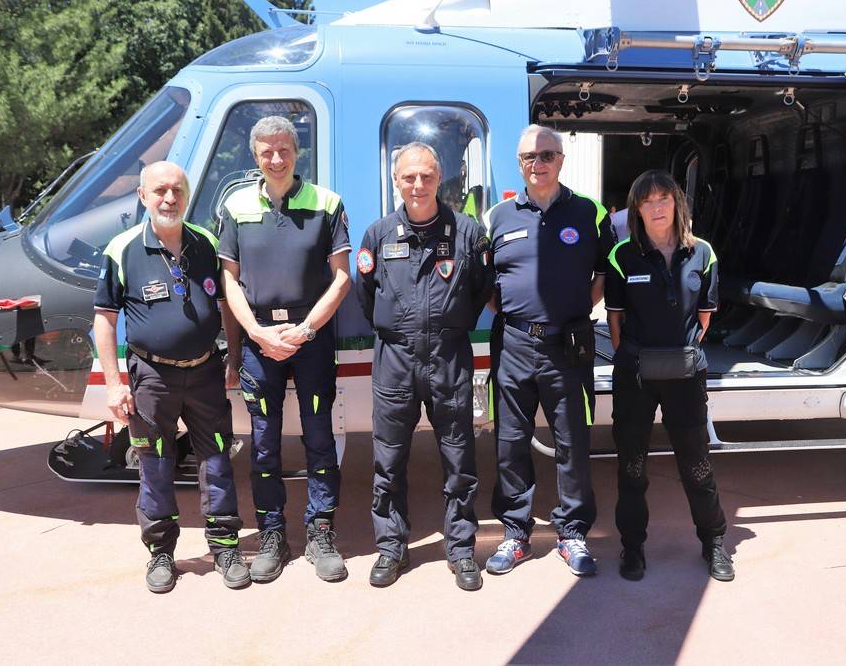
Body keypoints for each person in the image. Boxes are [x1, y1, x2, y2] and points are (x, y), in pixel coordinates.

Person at [93, 160, 248, 593]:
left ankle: (225, 547)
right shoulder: (121, 250)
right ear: (143, 196)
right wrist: (112, 383)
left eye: (177, 190)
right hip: (151, 378)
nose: (169, 198)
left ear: (186, 195)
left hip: (205, 372)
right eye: (159, 190)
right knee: (155, 462)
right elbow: (104, 320)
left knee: (217, 458)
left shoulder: (206, 244)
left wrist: (232, 357)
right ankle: (161, 553)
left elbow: (225, 308)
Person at [357, 142, 494, 590]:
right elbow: (365, 297)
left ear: (440, 180)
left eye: (427, 176)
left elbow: (479, 292)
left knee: (460, 459)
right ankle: (391, 548)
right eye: (409, 176)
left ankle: (460, 549)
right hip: (394, 360)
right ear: (396, 180)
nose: (418, 184)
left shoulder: (467, 233)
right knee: (388, 461)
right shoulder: (378, 236)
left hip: (449, 358)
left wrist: (448, 328)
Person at [219, 116, 351, 583]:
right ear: (254, 157)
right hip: (260, 342)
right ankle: (272, 534)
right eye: (266, 152)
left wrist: (306, 330)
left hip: (310, 342)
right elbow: (228, 282)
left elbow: (342, 277)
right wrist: (256, 333)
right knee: (263, 447)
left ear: (297, 153)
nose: (276, 159)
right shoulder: (235, 207)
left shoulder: (327, 203)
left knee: (319, 439)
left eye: (284, 150)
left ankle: (321, 532)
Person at [482, 125, 614, 576]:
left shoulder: (590, 213)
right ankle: (516, 534)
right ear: (519, 164)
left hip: (568, 344)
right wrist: (521, 315)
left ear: (561, 158)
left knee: (573, 442)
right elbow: (486, 285)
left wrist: (575, 309)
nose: (536, 164)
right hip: (514, 344)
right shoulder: (496, 217)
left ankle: (572, 533)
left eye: (545, 155)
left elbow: (604, 273)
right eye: (527, 157)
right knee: (510, 442)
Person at [604, 169, 734, 582]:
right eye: (647, 201)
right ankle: (632, 549)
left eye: (664, 198)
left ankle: (714, 542)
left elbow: (705, 318)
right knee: (632, 466)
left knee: (696, 463)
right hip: (636, 375)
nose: (657, 207)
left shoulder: (703, 253)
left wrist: (680, 352)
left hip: (685, 374)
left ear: (677, 203)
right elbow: (615, 319)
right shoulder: (621, 256)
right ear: (636, 210)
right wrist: (638, 355)